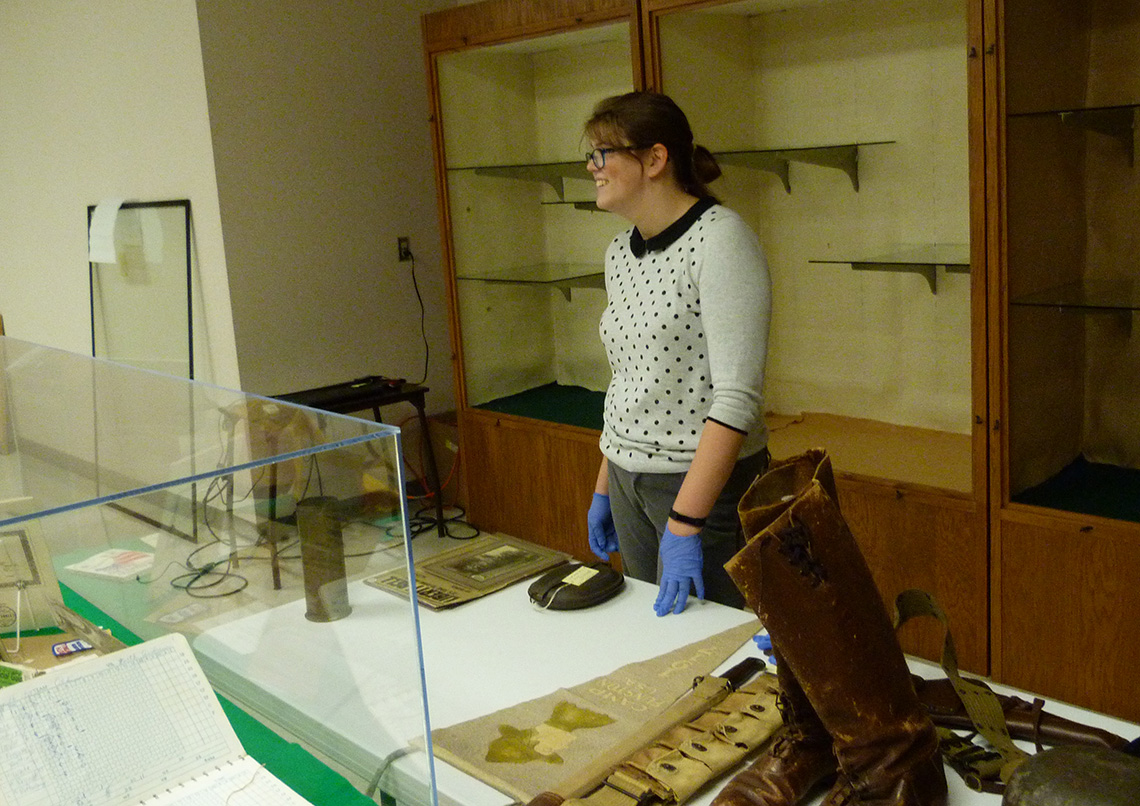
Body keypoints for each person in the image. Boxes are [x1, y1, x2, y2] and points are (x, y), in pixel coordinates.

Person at [583, 91, 771, 617]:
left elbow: (736, 398)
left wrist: (686, 523)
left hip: (698, 488)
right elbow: (627, 379)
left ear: (654, 159)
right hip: (627, 479)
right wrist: (606, 484)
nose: (592, 167)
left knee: (711, 647)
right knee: (660, 641)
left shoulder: (722, 241)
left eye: (603, 154)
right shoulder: (621, 251)